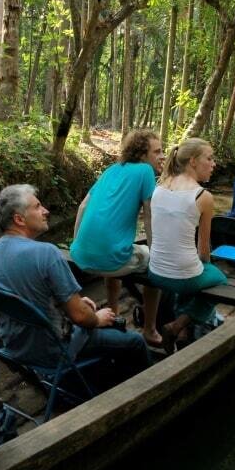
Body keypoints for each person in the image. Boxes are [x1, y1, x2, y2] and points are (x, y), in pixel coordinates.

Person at [0, 184, 150, 380]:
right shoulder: (46, 253)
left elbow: (27, 298)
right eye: (37, 207)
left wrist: (71, 304)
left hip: (14, 345)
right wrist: (97, 318)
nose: (45, 211)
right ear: (19, 219)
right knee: (135, 341)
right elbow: (80, 317)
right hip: (55, 349)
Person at [70, 129, 164, 347]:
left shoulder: (112, 169)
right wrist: (157, 253)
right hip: (111, 260)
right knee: (155, 266)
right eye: (157, 151)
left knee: (117, 247)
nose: (162, 156)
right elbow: (150, 217)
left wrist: (76, 244)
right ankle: (150, 329)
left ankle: (112, 312)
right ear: (142, 155)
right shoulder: (145, 172)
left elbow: (83, 206)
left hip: (81, 256)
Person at [147, 138, 228, 354]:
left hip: (154, 271)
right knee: (219, 279)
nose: (214, 164)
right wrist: (206, 269)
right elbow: (204, 251)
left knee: (192, 272)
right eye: (209, 158)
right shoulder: (203, 196)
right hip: (183, 277)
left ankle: (181, 329)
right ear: (193, 161)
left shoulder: (159, 187)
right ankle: (177, 325)